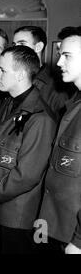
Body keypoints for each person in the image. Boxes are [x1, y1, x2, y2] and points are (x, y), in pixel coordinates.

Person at [0, 45, 56, 254]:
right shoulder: (9, 104)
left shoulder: (40, 118)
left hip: (15, 219)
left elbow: (26, 176)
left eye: (2, 70)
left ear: (19, 75)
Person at [38, 26, 81, 254]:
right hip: (53, 226)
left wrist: (79, 241)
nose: (59, 63)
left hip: (72, 236)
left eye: (67, 56)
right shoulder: (73, 104)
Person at [13, 26, 71, 119]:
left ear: (38, 47)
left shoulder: (55, 87)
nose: (15, 49)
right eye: (14, 45)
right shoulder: (12, 77)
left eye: (21, 44)